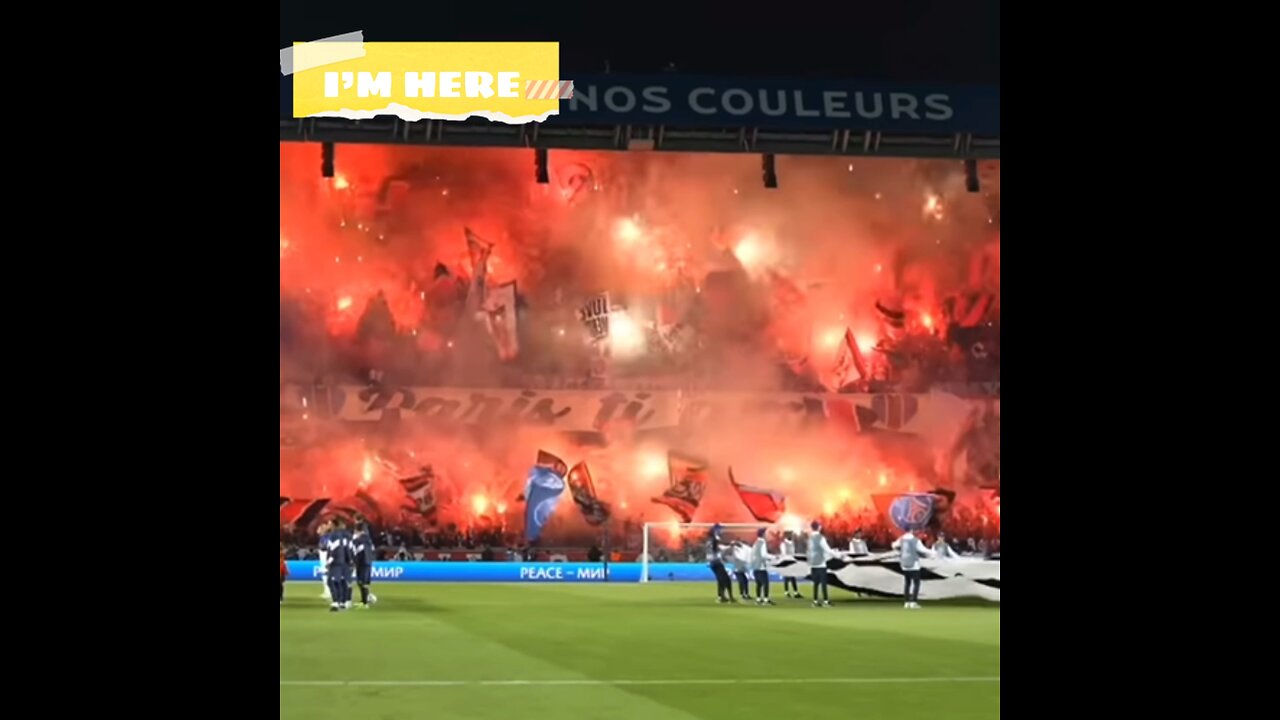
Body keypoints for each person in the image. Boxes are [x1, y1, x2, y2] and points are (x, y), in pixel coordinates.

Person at [892, 527, 935, 609]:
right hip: (914, 565)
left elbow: (893, 545)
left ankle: (906, 602)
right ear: (912, 531)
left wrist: (899, 551)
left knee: (907, 583)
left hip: (904, 564)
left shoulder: (901, 540)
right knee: (916, 583)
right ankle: (913, 602)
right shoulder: (915, 540)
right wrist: (932, 553)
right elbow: (923, 550)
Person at [325, 518, 356, 612]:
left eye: (329, 523)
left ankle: (336, 602)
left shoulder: (334, 535)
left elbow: (334, 550)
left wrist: (329, 562)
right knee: (344, 581)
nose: (328, 525)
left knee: (332, 581)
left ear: (334, 525)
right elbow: (350, 549)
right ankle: (344, 601)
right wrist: (351, 560)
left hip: (336, 562)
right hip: (345, 562)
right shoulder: (347, 535)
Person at [807, 521, 837, 607]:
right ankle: (826, 601)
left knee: (816, 583)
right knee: (824, 582)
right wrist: (836, 554)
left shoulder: (810, 538)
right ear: (819, 527)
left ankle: (815, 600)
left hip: (813, 563)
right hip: (820, 562)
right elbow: (827, 549)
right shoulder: (821, 538)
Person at [706, 524, 734, 603]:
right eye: (720, 530)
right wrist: (728, 546)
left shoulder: (710, 540)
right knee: (725, 579)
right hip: (716, 562)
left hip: (714, 562)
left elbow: (718, 548)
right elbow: (717, 549)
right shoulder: (714, 540)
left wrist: (728, 546)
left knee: (722, 579)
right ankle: (725, 596)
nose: (722, 532)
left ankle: (722, 596)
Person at [352, 523, 378, 608]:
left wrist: (354, 562)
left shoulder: (358, 540)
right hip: (368, 562)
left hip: (362, 563)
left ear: (357, 531)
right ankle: (365, 599)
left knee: (361, 582)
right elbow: (373, 550)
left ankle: (364, 602)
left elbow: (357, 552)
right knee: (364, 582)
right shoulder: (369, 540)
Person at [749, 528, 775, 605]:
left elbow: (752, 554)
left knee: (758, 584)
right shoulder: (762, 542)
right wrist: (773, 557)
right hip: (761, 566)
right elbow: (764, 555)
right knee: (765, 583)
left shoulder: (755, 543)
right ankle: (766, 599)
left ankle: (758, 599)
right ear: (763, 534)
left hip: (755, 566)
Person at [780, 531, 801, 599]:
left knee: (789, 577)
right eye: (791, 535)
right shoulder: (784, 544)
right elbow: (784, 553)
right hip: (787, 561)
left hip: (791, 561)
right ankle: (793, 592)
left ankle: (789, 592)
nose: (792, 536)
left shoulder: (791, 543)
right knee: (790, 577)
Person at [317, 521, 333, 600]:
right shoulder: (324, 536)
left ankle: (329, 592)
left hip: (326, 555)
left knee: (326, 574)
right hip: (323, 555)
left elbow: (325, 547)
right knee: (324, 575)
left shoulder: (329, 536)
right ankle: (326, 591)